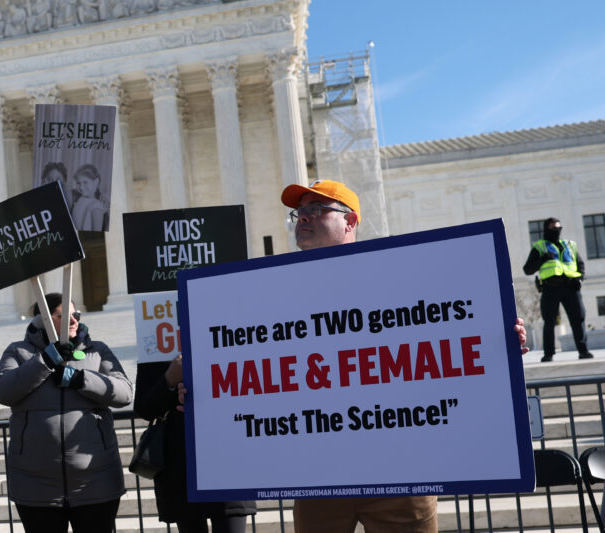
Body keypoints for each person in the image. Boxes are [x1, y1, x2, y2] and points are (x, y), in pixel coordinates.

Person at [171, 179, 527, 533]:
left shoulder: (401, 273)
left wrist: (497, 338)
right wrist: (207, 396)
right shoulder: (272, 294)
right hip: (320, 475)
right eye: (299, 212)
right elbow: (249, 366)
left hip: (401, 474)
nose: (303, 218)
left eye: (316, 210)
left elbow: (450, 327)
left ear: (350, 221)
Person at [0, 293, 132, 533]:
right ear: (42, 319)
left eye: (75, 315)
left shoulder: (97, 351)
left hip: (94, 483)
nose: (74, 320)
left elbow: (124, 393)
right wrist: (44, 362)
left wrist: (81, 379)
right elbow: (3, 390)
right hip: (36, 487)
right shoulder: (19, 352)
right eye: (63, 315)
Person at [134, 353, 255, 532]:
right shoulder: (155, 350)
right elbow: (144, 408)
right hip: (180, 463)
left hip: (227, 457)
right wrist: (169, 380)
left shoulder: (232, 339)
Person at [523, 217, 594, 362]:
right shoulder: (540, 246)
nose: (556, 231)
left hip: (571, 287)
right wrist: (543, 259)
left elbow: (580, 264)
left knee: (578, 318)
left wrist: (580, 278)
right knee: (549, 321)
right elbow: (528, 269)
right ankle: (548, 354)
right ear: (546, 229)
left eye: (558, 228)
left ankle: (583, 351)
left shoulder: (569, 245)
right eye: (552, 228)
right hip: (551, 288)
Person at [70, 164, 108, 231]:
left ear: (96, 182)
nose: (81, 187)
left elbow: (97, 232)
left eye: (85, 182)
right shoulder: (80, 199)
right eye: (78, 183)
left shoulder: (96, 206)